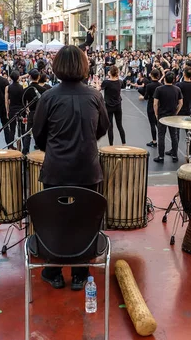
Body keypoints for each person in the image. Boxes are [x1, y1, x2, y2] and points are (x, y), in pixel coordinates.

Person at [32, 45, 109, 290]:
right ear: (84, 66)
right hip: (88, 169)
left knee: (56, 219)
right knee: (84, 219)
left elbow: (39, 134)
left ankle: (53, 270)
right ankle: (80, 273)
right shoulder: (95, 96)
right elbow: (102, 129)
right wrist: (85, 142)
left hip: (56, 170)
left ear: (57, 67)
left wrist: (55, 148)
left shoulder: (48, 97)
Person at [153, 72, 183, 163]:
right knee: (174, 135)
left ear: (164, 79)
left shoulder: (159, 89)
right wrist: (176, 112)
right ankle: (175, 155)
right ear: (173, 80)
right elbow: (181, 103)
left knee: (161, 135)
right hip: (172, 116)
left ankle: (161, 156)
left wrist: (156, 114)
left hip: (162, 115)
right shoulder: (177, 89)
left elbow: (155, 104)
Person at [21, 68, 48, 154]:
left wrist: (27, 111)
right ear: (39, 77)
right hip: (41, 114)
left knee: (28, 133)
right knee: (42, 132)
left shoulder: (26, 90)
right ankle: (42, 151)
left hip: (32, 113)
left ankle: (25, 151)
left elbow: (23, 103)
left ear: (29, 77)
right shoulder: (44, 90)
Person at [99, 66, 126, 145]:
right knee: (120, 126)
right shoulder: (120, 82)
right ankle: (124, 143)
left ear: (109, 72)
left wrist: (97, 82)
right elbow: (123, 85)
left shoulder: (106, 82)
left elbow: (98, 89)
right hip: (118, 106)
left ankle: (111, 145)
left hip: (109, 106)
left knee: (110, 127)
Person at [5, 71, 25, 144]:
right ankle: (25, 147)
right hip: (21, 109)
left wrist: (7, 111)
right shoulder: (21, 87)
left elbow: (6, 101)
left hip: (12, 109)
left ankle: (10, 146)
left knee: (12, 129)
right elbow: (23, 99)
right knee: (22, 129)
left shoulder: (8, 87)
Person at [144, 69, 162, 148]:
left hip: (151, 105)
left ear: (151, 75)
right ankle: (161, 139)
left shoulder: (149, 86)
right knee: (158, 123)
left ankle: (154, 141)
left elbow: (146, 97)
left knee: (152, 124)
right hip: (159, 105)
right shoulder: (161, 85)